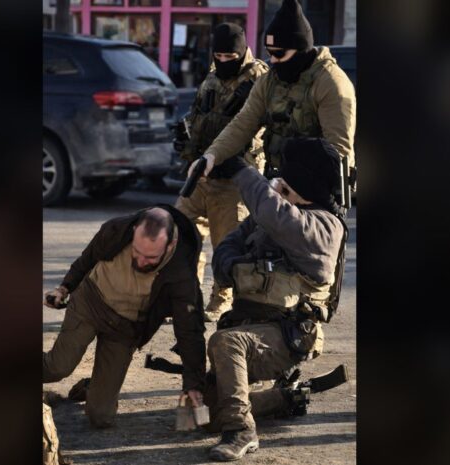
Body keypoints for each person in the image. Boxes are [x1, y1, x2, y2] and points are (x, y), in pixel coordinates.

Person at [202, 138, 348, 461]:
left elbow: (276, 214)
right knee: (208, 413)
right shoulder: (275, 214)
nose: (279, 181)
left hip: (288, 335)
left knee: (225, 343)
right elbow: (228, 246)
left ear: (301, 183)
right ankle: (284, 399)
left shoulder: (324, 227)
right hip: (249, 325)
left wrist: (243, 171)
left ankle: (241, 432)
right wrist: (231, 265)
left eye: (286, 178)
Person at [42, 206, 206, 428]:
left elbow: (190, 332)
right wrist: (64, 288)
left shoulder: (182, 274)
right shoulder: (116, 229)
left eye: (150, 257)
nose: (140, 261)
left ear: (170, 245)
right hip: (90, 303)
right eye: (136, 251)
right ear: (135, 231)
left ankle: (95, 387)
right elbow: (88, 258)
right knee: (58, 367)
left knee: (101, 417)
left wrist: (193, 387)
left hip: (125, 327)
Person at [187, 0, 356, 186]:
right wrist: (212, 155)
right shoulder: (269, 80)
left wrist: (308, 189)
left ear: (301, 49)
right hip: (277, 183)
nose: (273, 60)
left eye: (280, 54)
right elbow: (243, 123)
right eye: (270, 53)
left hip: (315, 189)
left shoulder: (330, 82)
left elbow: (338, 151)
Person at [173, 23, 269, 323]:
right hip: (201, 173)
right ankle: (187, 298)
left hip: (234, 179)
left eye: (231, 56)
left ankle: (222, 300)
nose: (224, 60)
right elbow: (199, 114)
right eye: (219, 55)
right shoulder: (212, 75)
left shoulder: (260, 78)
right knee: (179, 233)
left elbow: (261, 125)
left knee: (227, 244)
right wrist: (187, 141)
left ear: (242, 52)